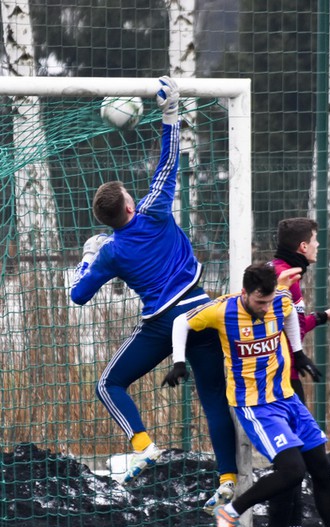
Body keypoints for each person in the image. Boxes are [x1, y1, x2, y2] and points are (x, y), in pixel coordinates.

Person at [70, 76, 237, 494]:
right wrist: (169, 112)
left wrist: (88, 258)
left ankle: (143, 444)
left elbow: (78, 295)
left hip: (162, 325)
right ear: (129, 204)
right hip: (202, 312)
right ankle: (228, 479)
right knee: (214, 399)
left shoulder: (108, 251)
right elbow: (169, 162)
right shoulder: (154, 211)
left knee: (108, 384)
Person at [163, 262, 330, 527]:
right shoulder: (222, 310)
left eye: (268, 301)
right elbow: (180, 323)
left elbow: (291, 314)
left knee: (321, 467)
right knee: (292, 470)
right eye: (259, 302)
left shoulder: (280, 299)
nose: (265, 307)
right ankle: (230, 512)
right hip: (255, 405)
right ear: (244, 293)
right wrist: (178, 361)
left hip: (288, 399)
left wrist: (298, 351)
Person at [268, 217, 330, 527]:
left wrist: (321, 315)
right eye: (315, 241)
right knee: (299, 464)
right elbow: (290, 325)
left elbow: (292, 323)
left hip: (281, 378)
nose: (317, 246)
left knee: (298, 462)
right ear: (303, 247)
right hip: (280, 382)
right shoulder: (286, 277)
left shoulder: (279, 270)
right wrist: (318, 320)